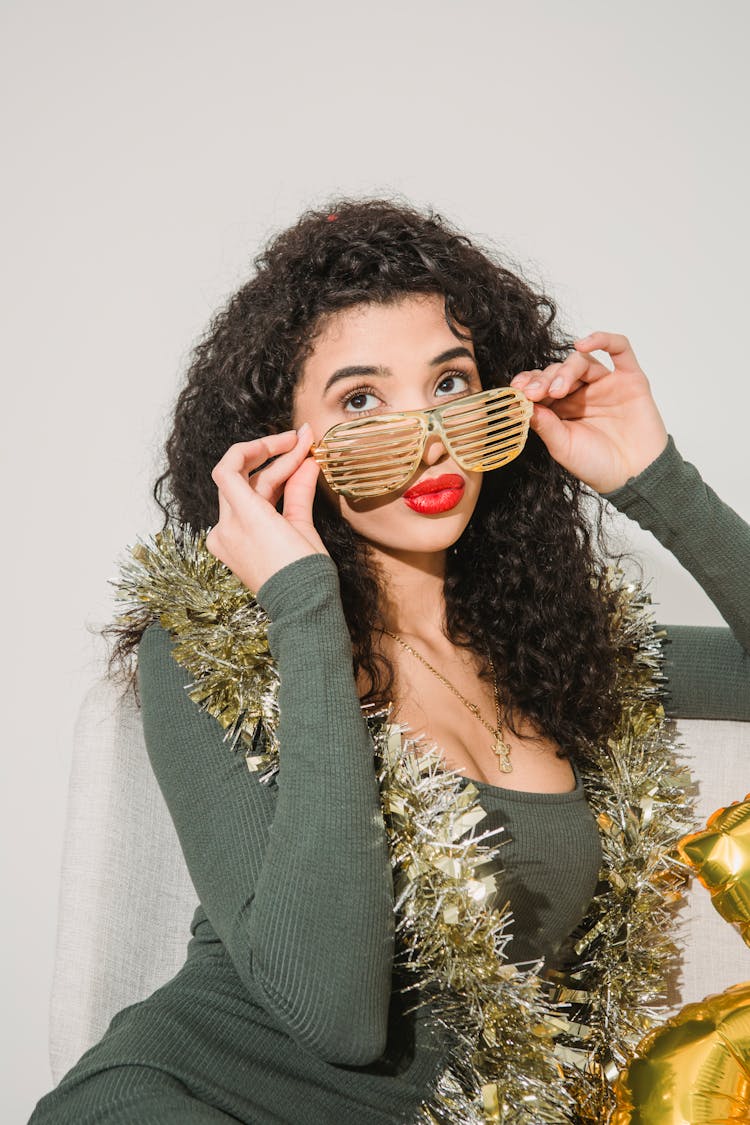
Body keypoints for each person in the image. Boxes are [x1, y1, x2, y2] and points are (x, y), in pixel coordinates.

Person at [29, 198, 750, 1124]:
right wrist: (304, 610)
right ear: (281, 443)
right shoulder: (215, 649)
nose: (431, 438)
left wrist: (656, 477)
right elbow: (336, 1018)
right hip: (188, 1100)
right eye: (362, 400)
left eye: (451, 385)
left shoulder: (561, 648)